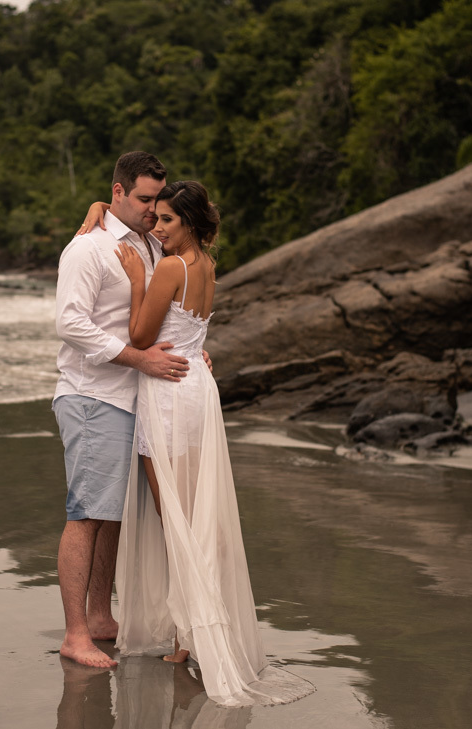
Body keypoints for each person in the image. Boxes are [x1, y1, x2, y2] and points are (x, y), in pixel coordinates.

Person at [107, 181, 315, 707]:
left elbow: (138, 337)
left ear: (191, 223)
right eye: (157, 219)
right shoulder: (206, 267)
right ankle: (187, 633)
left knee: (171, 513)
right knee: (194, 513)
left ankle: (192, 633)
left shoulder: (171, 269)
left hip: (167, 394)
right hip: (199, 389)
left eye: (168, 220)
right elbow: (192, 334)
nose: (158, 226)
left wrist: (138, 279)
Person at [52, 151, 193, 669]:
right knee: (87, 514)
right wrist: (137, 359)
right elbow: (70, 324)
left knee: (109, 516)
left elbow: (161, 310)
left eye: (158, 198)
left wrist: (189, 344)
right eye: (143, 198)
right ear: (117, 192)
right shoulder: (87, 249)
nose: (153, 209)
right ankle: (75, 635)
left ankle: (100, 616)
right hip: (93, 397)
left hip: (135, 399)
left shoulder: (150, 243)